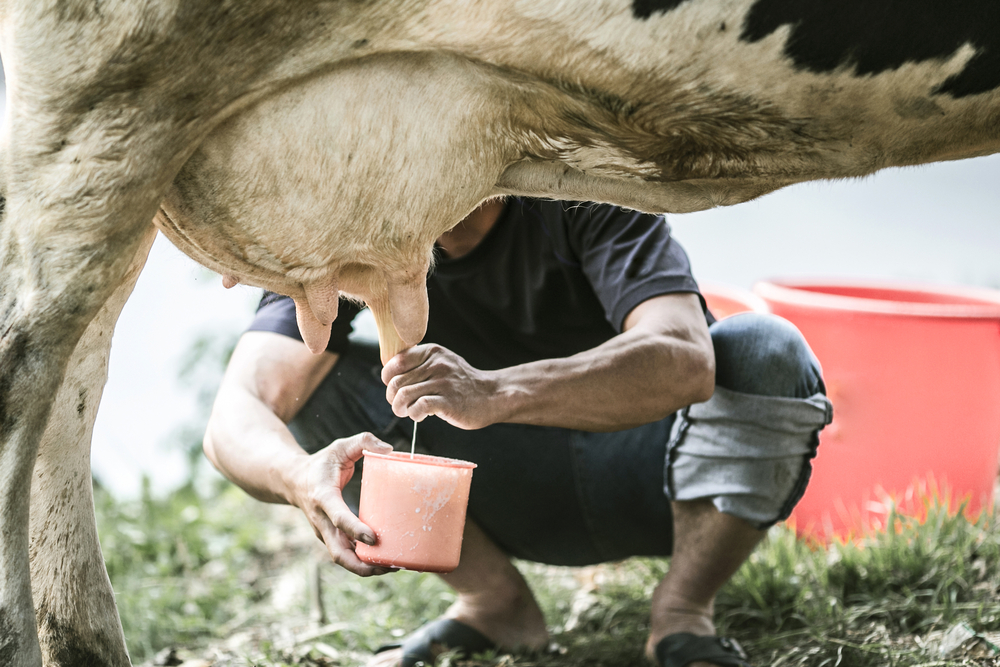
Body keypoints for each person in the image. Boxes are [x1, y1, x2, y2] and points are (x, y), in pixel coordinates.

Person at [203, 197, 833, 667]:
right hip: (503, 495)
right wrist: (299, 477)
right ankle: (494, 604)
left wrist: (494, 391)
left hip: (662, 480)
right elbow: (236, 412)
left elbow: (686, 358)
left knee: (765, 347)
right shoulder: (348, 235)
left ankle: (682, 613)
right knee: (325, 385)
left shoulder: (584, 187)